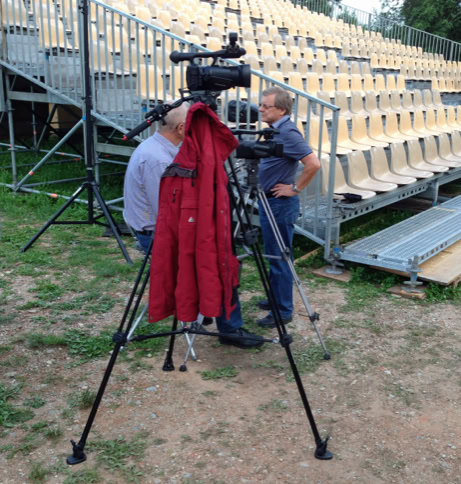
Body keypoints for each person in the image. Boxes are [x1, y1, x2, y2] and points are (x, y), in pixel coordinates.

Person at [124, 103, 263, 349]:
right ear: (181, 128)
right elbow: (167, 212)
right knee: (220, 264)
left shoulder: (154, 148)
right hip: (158, 234)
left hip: (155, 229)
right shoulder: (158, 159)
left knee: (218, 260)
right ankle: (229, 328)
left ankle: (210, 311)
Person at [256, 87, 321, 329]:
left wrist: (295, 188)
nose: (261, 109)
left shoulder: (288, 132)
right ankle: (275, 299)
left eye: (266, 106)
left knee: (279, 257)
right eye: (261, 105)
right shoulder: (276, 130)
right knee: (274, 254)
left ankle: (283, 311)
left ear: (282, 110)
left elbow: (313, 164)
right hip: (270, 202)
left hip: (279, 204)